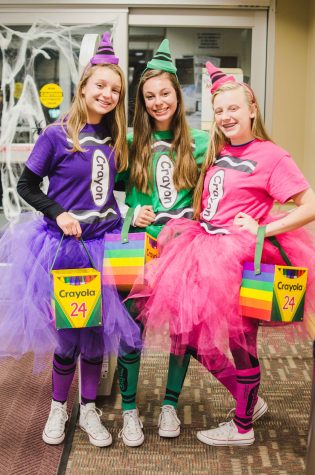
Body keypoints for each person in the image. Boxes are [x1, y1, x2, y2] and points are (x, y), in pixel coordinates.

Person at [128, 61, 315, 446]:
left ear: (252, 109)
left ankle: (243, 426)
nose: (226, 116)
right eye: (219, 111)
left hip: (238, 258)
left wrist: (265, 229)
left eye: (233, 108)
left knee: (241, 341)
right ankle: (248, 401)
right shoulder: (219, 150)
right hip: (202, 249)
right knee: (192, 335)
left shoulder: (271, 156)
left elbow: (309, 204)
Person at [115, 40, 265, 448]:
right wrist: (132, 215)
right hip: (141, 250)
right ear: (142, 102)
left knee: (183, 333)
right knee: (132, 332)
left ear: (177, 97)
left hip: (184, 252)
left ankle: (169, 404)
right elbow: (106, 193)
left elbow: (223, 189)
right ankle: (128, 411)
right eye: (150, 97)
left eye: (165, 94)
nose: (158, 102)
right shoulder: (129, 142)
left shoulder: (201, 143)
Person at [0, 32, 141, 447]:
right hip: (65, 248)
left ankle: (89, 410)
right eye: (100, 85)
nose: (108, 94)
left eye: (115, 89)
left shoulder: (117, 139)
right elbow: (26, 185)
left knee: (96, 334)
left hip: (105, 246)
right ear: (83, 87)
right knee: (68, 333)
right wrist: (57, 213)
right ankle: (58, 407)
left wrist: (139, 210)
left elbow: (124, 187)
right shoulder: (57, 135)